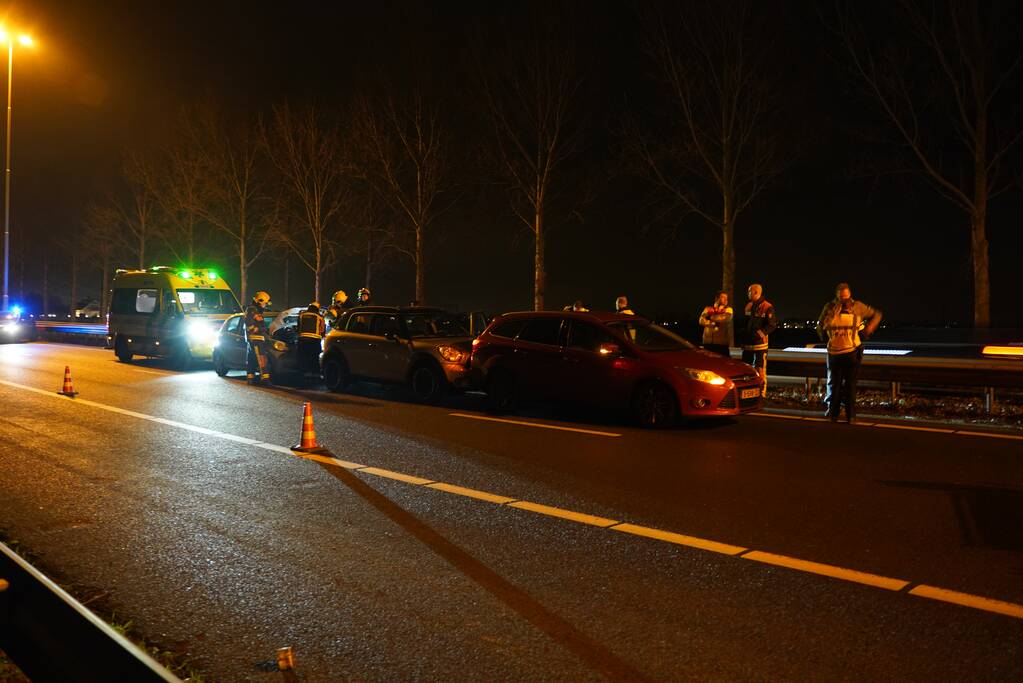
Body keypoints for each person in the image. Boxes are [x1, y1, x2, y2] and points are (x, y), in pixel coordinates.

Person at [816, 282, 883, 423]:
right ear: (837, 296)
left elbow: (877, 314)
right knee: (836, 385)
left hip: (851, 351)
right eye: (842, 298)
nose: (844, 301)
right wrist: (831, 315)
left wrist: (869, 329)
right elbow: (821, 327)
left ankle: (848, 416)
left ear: (849, 295)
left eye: (846, 298)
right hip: (836, 352)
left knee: (847, 385)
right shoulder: (830, 308)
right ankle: (836, 415)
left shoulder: (858, 306)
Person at [740, 283, 776, 390]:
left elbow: (771, 325)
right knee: (745, 370)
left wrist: (758, 335)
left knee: (760, 370)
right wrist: (743, 334)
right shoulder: (748, 306)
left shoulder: (767, 307)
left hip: (760, 345)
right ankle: (747, 392)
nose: (747, 293)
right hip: (747, 345)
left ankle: (761, 393)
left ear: (755, 292)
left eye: (749, 291)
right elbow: (744, 323)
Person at [244, 291, 273, 385]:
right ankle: (265, 379)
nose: (265, 305)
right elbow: (251, 326)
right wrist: (263, 329)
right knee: (262, 358)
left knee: (251, 358)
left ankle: (250, 378)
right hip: (256, 338)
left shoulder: (252, 310)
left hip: (253, 338)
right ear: (260, 301)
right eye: (265, 303)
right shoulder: (253, 310)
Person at [698, 290, 733, 357]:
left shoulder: (728, 309)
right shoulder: (708, 308)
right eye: (723, 297)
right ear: (717, 298)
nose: (726, 299)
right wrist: (711, 324)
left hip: (721, 344)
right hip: (707, 343)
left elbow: (725, 319)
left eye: (726, 298)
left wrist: (710, 317)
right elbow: (701, 320)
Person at [297, 302, 326, 378]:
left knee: (303, 358)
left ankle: (304, 375)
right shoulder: (319, 316)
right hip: (314, 341)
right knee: (314, 357)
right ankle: (314, 375)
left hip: (302, 340)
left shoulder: (302, 315)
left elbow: (298, 328)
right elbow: (322, 329)